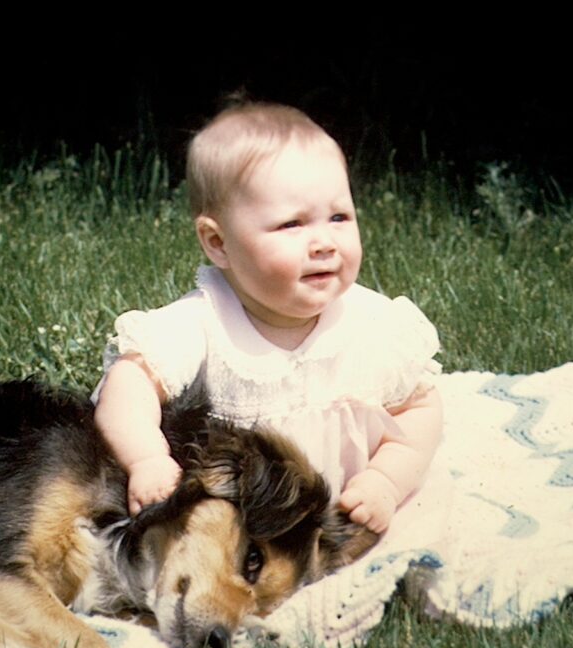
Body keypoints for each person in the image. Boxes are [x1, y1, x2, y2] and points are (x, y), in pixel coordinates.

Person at [93, 101, 443, 534]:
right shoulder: (205, 323)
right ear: (218, 242)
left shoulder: (371, 323)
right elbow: (126, 388)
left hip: (345, 511)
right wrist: (146, 458)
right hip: (237, 523)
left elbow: (420, 410)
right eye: (291, 225)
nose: (324, 242)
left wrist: (386, 480)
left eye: (338, 217)